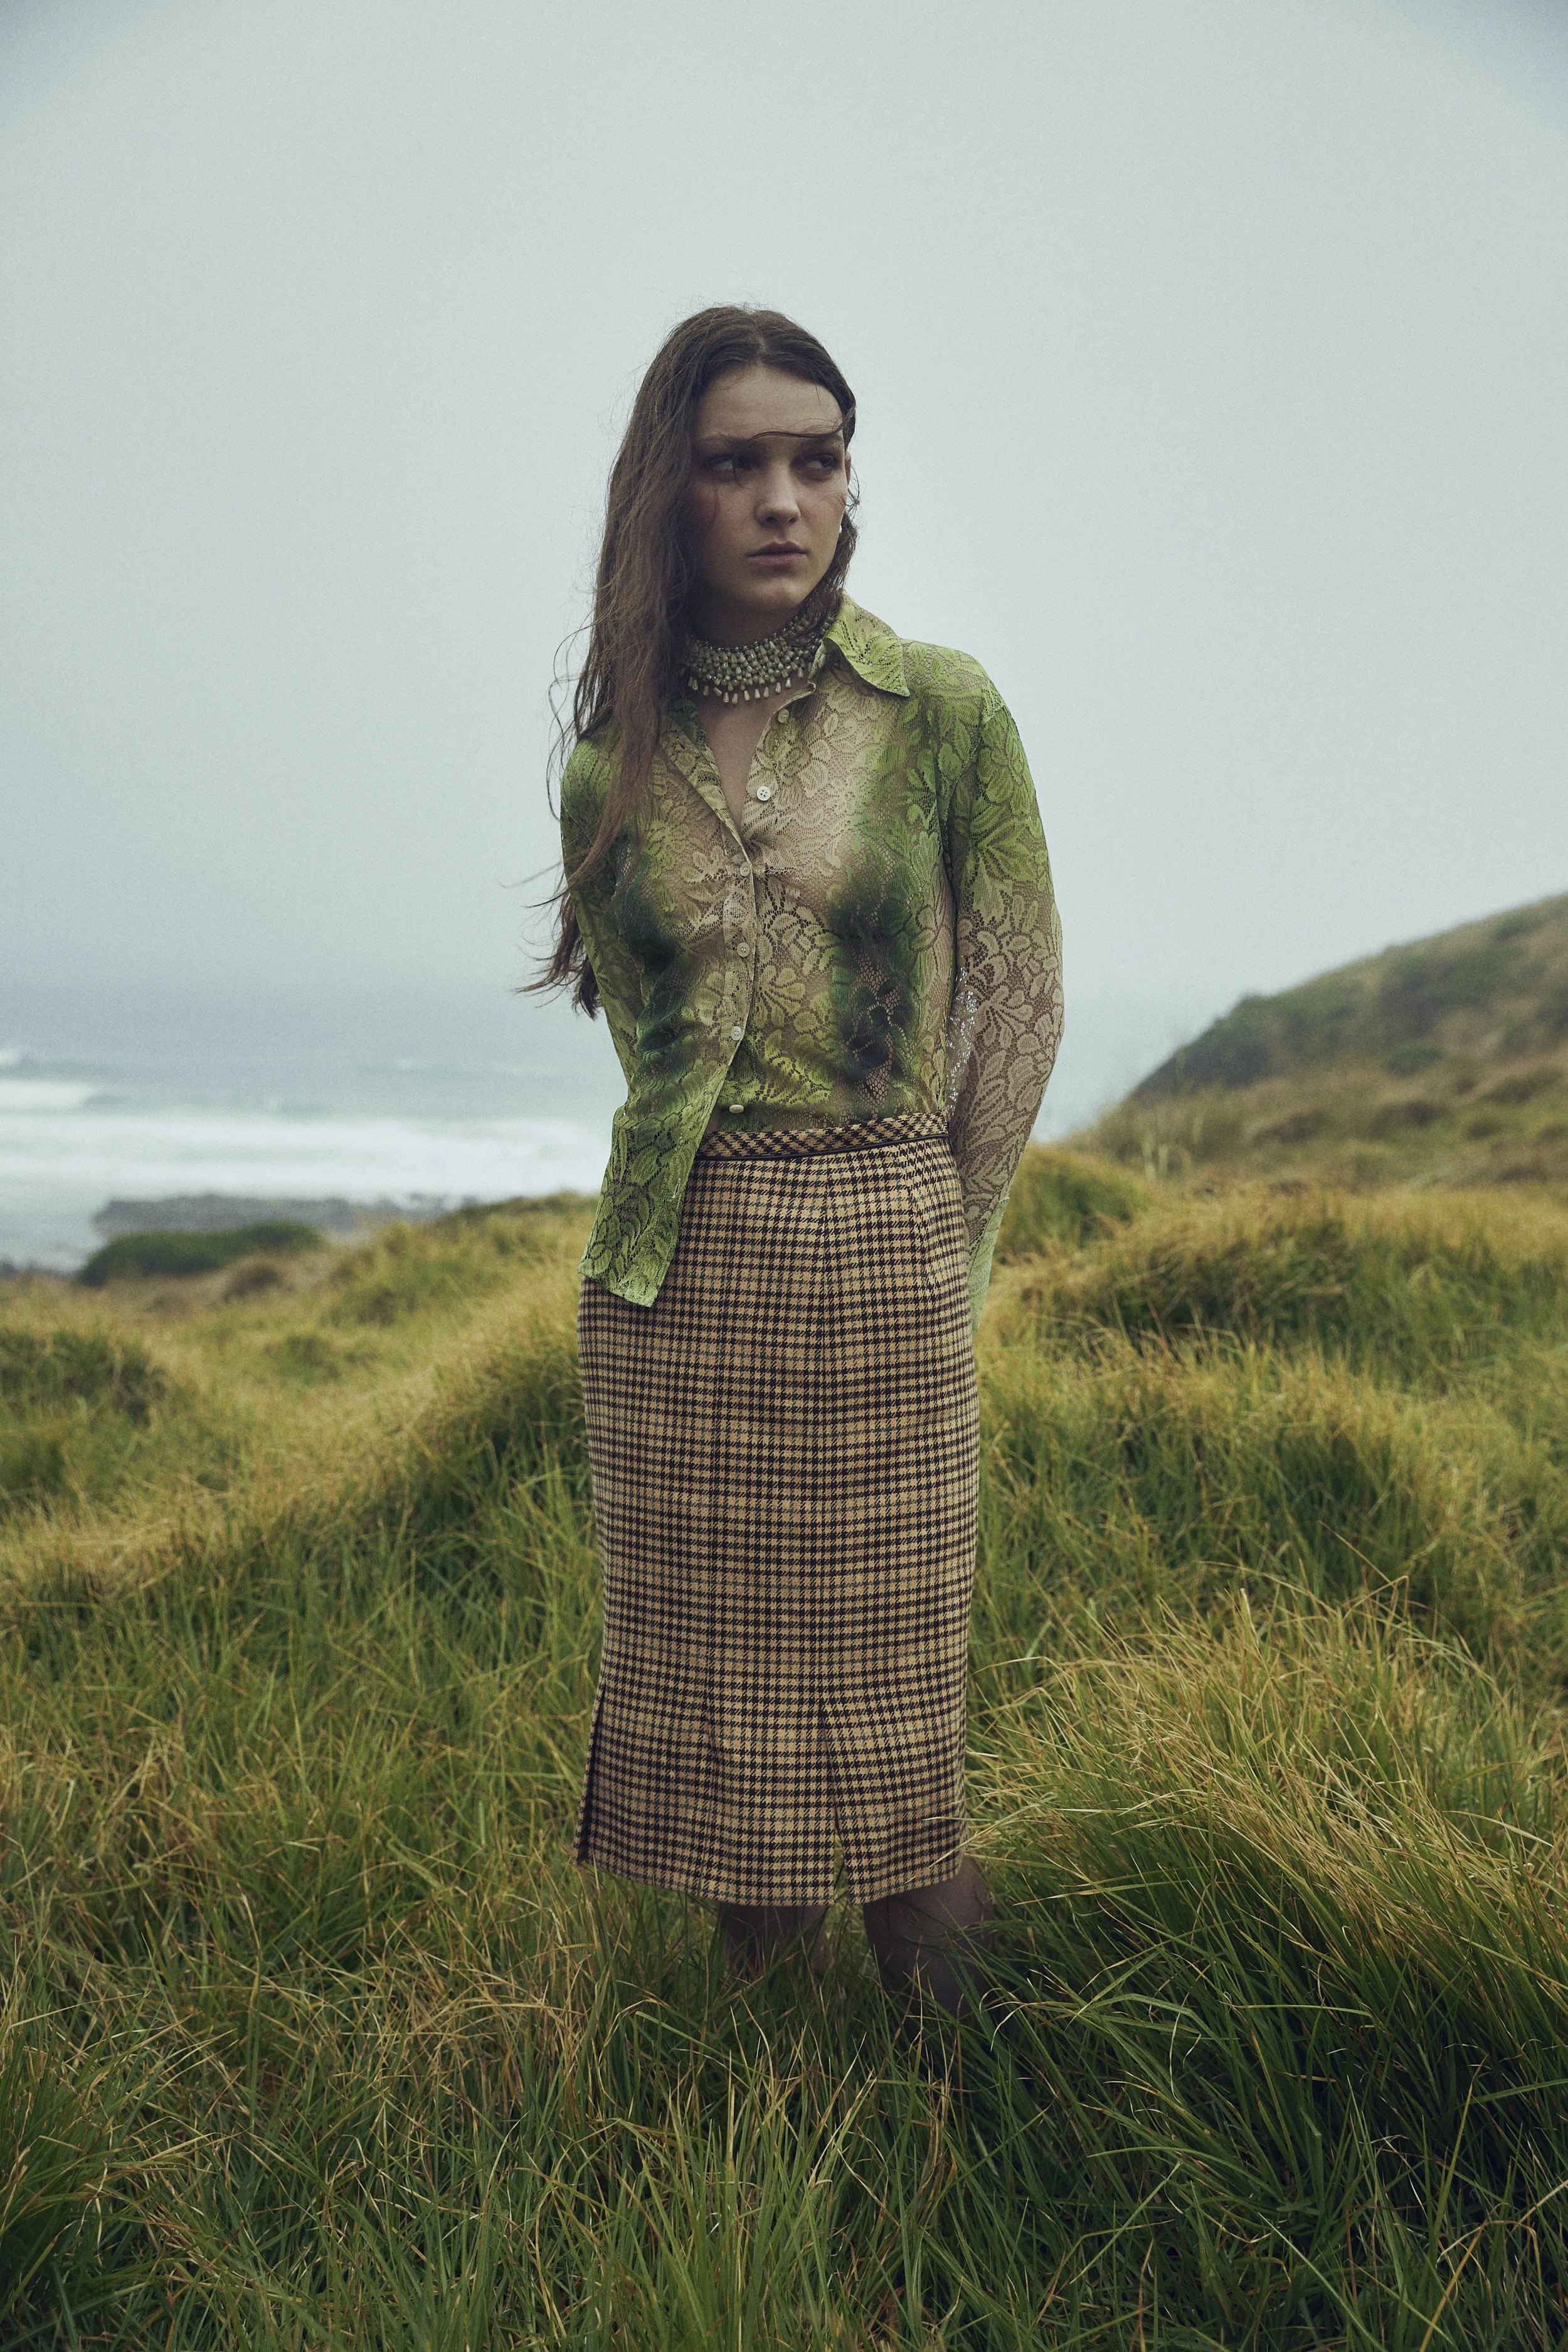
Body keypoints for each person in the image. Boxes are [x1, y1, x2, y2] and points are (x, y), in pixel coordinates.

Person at [539, 305, 1062, 2013]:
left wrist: (947, 1239)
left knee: (901, 1733)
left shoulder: (940, 712)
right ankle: (757, 2098)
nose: (783, 500)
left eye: (816, 460)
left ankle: (970, 2099)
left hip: (885, 1241)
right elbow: (651, 1044)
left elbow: (1020, 998)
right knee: (725, 1755)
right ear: (666, 493)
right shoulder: (607, 766)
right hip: (674, 1285)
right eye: (736, 463)